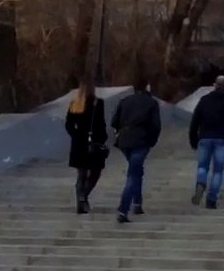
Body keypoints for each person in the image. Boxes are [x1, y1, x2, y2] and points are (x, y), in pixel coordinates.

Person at [111, 74, 162, 223]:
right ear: (147, 86)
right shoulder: (151, 103)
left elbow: (114, 122)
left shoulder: (125, 101)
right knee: (133, 174)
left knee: (136, 170)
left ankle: (137, 203)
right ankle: (123, 209)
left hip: (124, 142)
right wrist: (151, 141)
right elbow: (155, 126)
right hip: (141, 141)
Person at [189, 75, 224, 209]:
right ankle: (211, 199)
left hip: (204, 137)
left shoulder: (205, 100)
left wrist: (193, 139)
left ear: (214, 85)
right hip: (222, 138)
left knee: (202, 166)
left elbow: (195, 120)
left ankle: (201, 182)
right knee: (218, 171)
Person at [64, 80, 108, 215]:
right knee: (95, 172)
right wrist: (103, 139)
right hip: (93, 143)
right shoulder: (97, 103)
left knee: (81, 174)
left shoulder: (75, 104)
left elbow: (68, 124)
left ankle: (80, 203)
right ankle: (83, 195)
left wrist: (76, 135)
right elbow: (101, 124)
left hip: (78, 143)